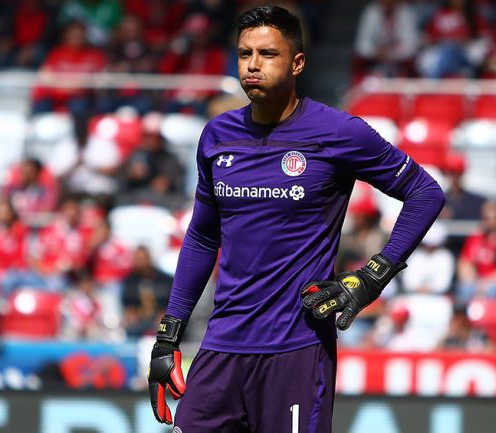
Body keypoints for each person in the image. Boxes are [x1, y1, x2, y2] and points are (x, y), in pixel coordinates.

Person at [147, 6, 445, 431]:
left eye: (268, 53)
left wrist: (373, 276)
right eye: (244, 53)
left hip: (298, 351)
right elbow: (201, 237)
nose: (253, 64)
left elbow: (424, 193)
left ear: (297, 63)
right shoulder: (217, 136)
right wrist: (169, 332)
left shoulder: (340, 132)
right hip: (220, 349)